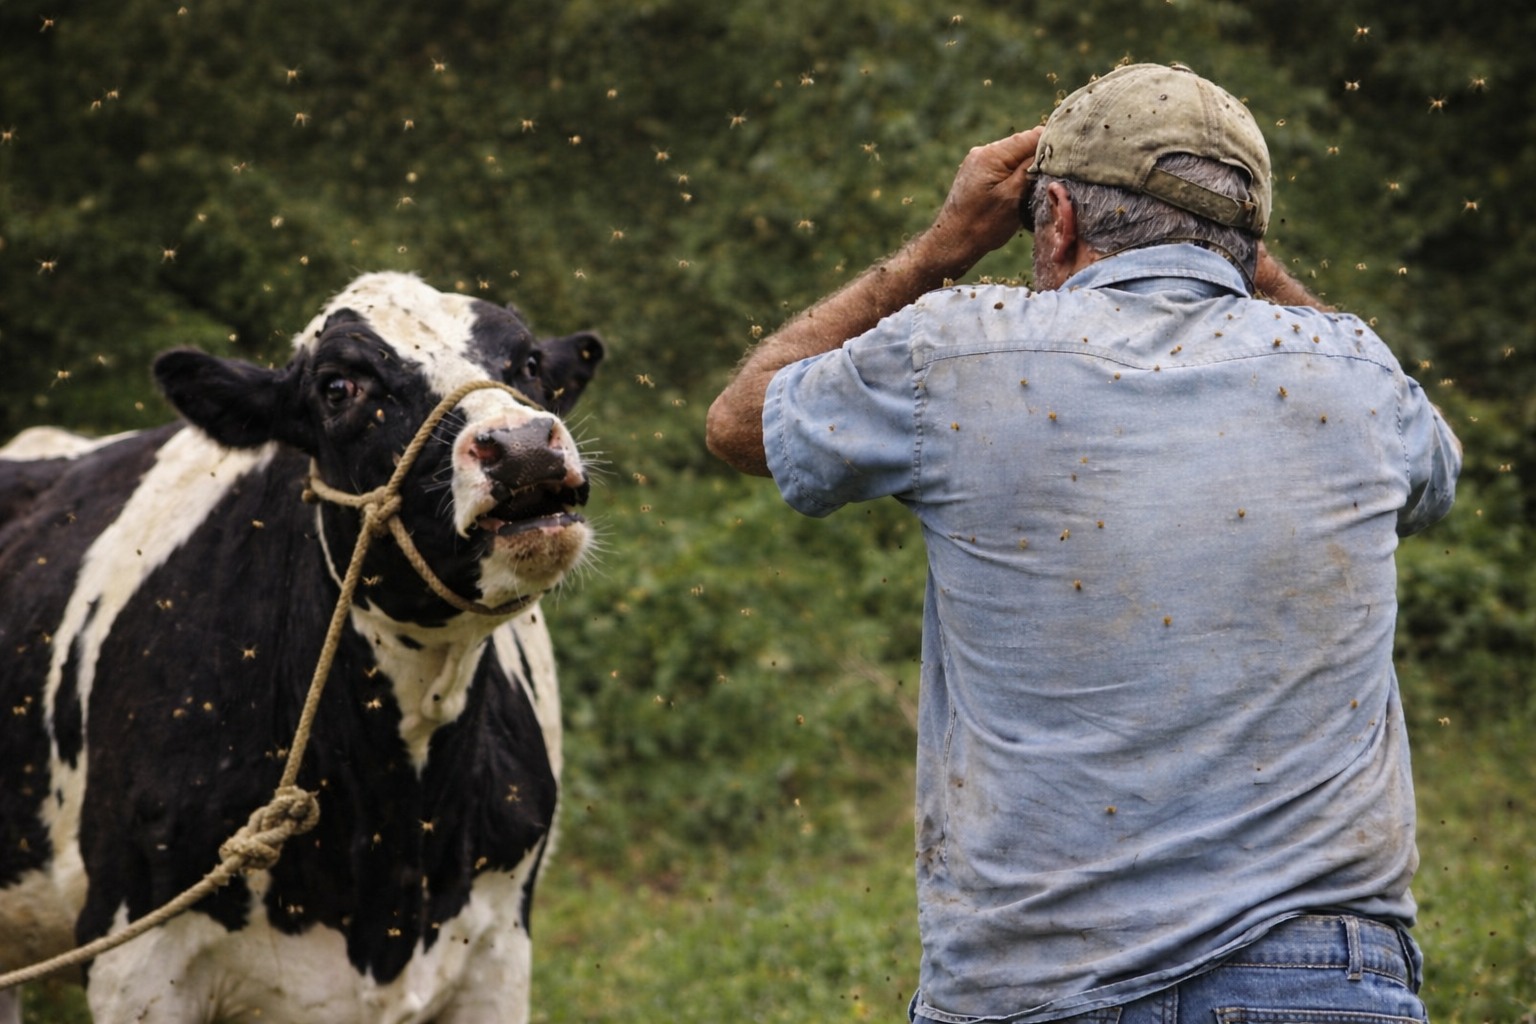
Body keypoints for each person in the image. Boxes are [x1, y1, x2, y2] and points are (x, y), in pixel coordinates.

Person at [706, 63, 1461, 1023]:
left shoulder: (955, 350)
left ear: (1052, 218)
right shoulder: (1353, 372)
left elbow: (739, 422)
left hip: (1036, 983)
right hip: (1322, 974)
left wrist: (940, 248)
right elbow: (1436, 472)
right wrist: (1245, 259)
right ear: (1253, 243)